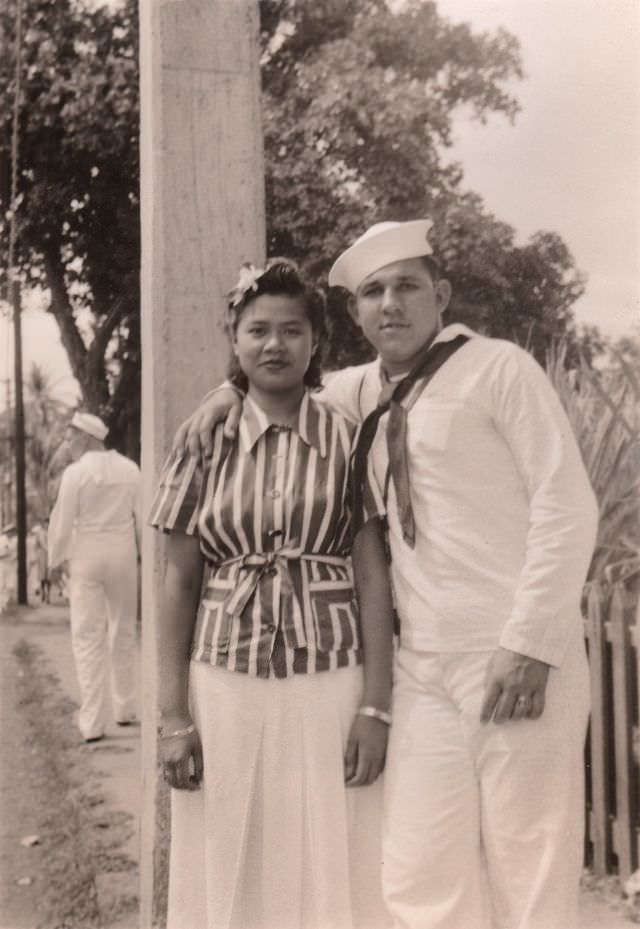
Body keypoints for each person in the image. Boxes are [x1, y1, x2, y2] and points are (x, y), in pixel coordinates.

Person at [172, 220, 599, 929]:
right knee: (417, 872)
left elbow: (567, 503)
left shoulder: (498, 369)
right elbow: (273, 382)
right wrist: (223, 393)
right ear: (355, 312)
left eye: (407, 286)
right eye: (372, 292)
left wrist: (530, 641)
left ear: (443, 294)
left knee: (531, 865)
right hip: (422, 669)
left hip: (517, 655)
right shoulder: (353, 391)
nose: (390, 305)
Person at [149, 259, 394, 929]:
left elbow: (373, 573)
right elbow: (177, 579)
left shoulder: (349, 438)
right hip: (224, 677)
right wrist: (172, 716)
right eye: (258, 330)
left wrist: (376, 705)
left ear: (317, 341)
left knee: (333, 844)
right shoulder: (201, 440)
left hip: (332, 678)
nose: (275, 345)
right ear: (235, 338)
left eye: (292, 329)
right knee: (229, 844)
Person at [48, 411, 141, 742]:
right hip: (123, 556)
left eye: (72, 437)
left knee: (87, 636)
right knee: (123, 631)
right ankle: (125, 708)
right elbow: (142, 519)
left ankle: (92, 722)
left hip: (86, 555)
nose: (69, 442)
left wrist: (55, 557)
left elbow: (63, 519)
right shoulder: (131, 470)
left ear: (86, 438)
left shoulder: (75, 473)